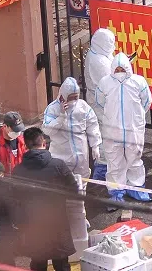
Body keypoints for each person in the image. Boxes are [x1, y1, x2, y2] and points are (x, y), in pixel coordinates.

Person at [42, 76, 102, 255]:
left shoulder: (83, 107)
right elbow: (47, 129)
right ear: (62, 96)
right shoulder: (52, 109)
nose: (74, 100)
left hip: (81, 156)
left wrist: (95, 145)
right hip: (61, 158)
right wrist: (62, 116)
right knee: (63, 189)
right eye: (71, 97)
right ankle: (65, 220)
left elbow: (92, 125)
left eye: (76, 97)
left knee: (81, 187)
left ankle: (80, 217)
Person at [12, 127, 77, 271]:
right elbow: (74, 190)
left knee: (38, 264)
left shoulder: (18, 171)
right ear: (44, 143)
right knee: (61, 264)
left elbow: (14, 198)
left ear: (26, 146)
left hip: (33, 227)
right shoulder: (58, 165)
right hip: (57, 224)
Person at [94, 52, 152, 205]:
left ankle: (136, 187)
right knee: (114, 161)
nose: (120, 72)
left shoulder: (138, 82)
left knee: (135, 158)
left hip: (133, 128)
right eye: (117, 69)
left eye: (122, 69)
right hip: (113, 129)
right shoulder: (105, 83)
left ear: (128, 68)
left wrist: (137, 116)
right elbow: (99, 102)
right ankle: (116, 191)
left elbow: (146, 101)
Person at [84, 28, 116, 181]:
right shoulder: (99, 62)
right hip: (101, 103)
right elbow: (109, 82)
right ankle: (102, 166)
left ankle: (103, 162)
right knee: (105, 133)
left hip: (98, 100)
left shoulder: (96, 52)